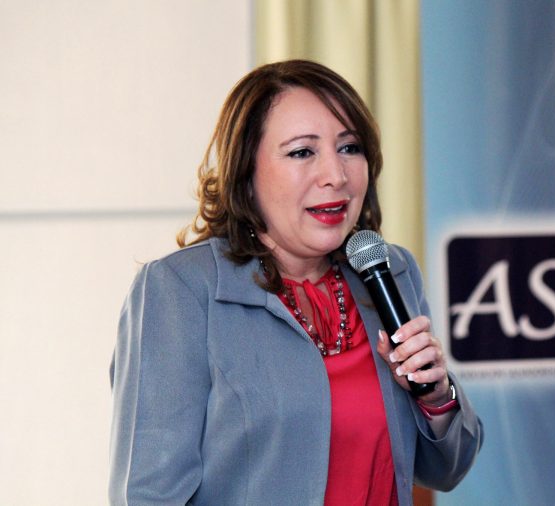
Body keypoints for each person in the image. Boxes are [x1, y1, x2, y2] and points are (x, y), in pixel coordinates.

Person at [109, 59, 482, 506]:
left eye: (350, 147)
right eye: (303, 152)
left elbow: (445, 469)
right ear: (246, 172)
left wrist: (436, 396)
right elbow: (149, 495)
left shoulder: (390, 271)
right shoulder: (181, 291)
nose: (336, 176)